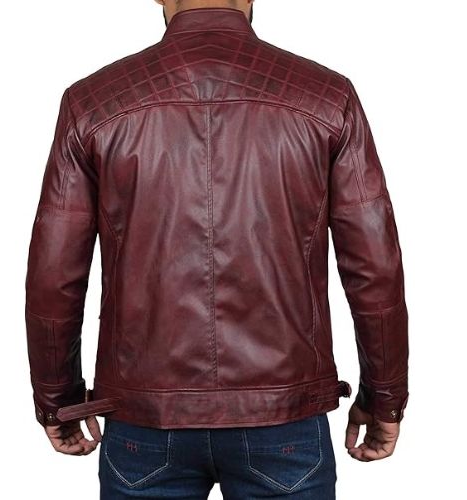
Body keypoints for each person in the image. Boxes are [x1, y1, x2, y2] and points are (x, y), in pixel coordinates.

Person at [24, 0, 409, 498]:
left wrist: (57, 398)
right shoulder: (326, 97)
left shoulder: (94, 102)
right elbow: (375, 269)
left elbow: (54, 276)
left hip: (146, 418)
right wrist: (384, 397)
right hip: (283, 416)